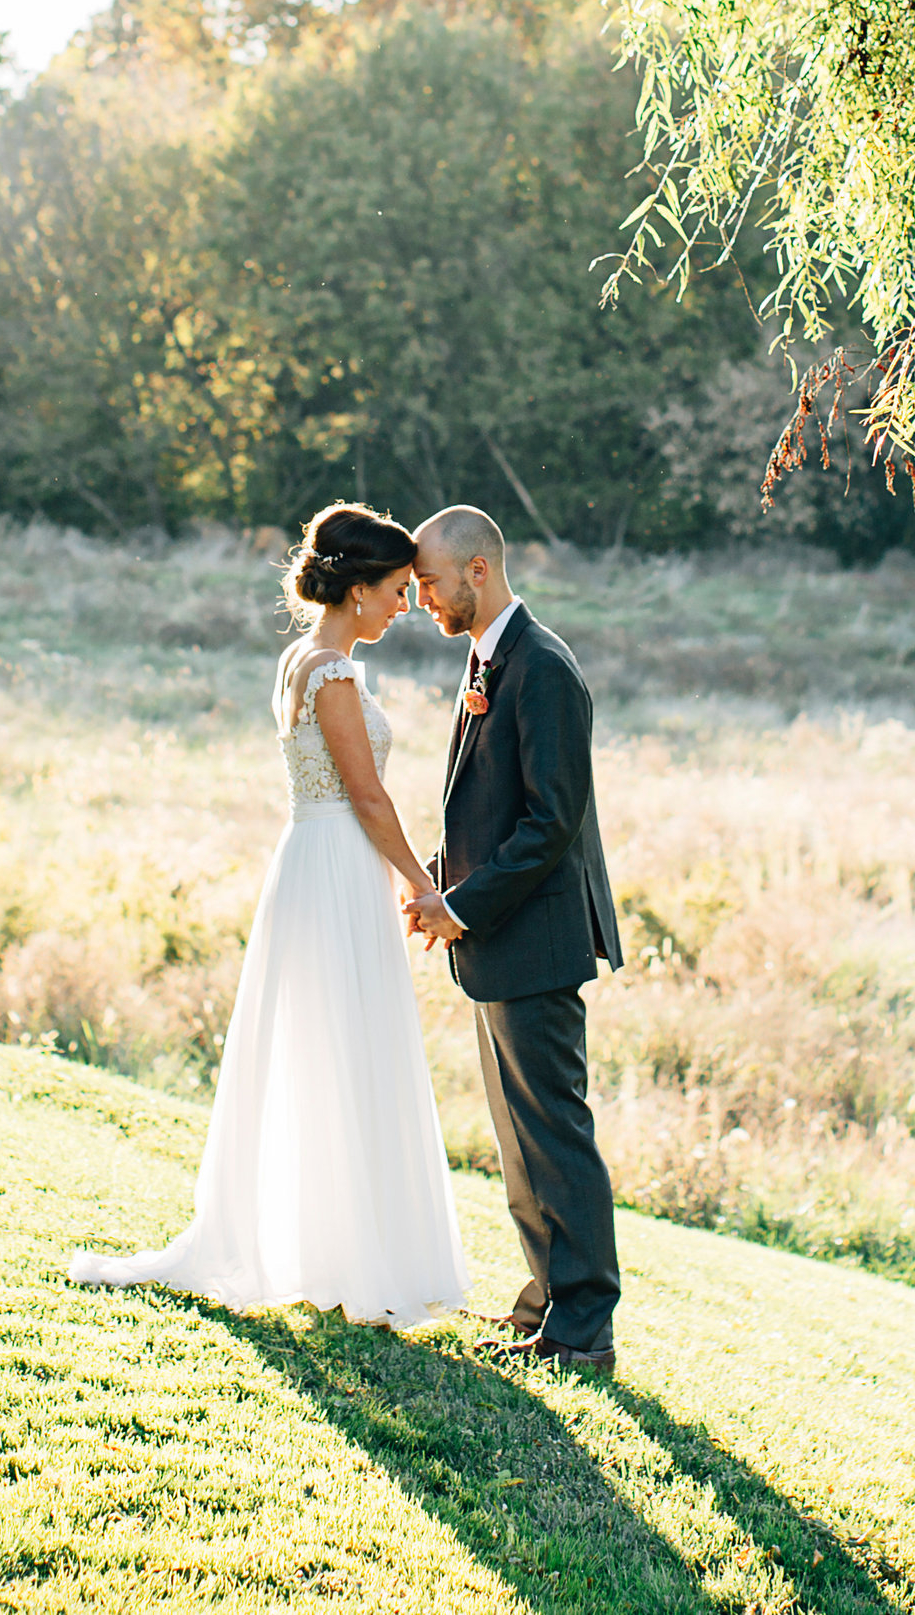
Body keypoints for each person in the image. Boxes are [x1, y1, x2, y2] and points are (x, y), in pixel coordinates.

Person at [66, 504, 472, 1327]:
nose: (404, 606)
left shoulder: (300, 656)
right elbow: (366, 794)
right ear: (358, 590)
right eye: (396, 590)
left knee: (326, 1050)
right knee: (345, 1047)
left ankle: (334, 1247)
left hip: (313, 862)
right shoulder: (333, 673)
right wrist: (421, 885)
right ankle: (347, 1259)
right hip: (336, 868)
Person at [408, 504, 624, 1373]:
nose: (419, 595)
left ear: (478, 571)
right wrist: (436, 877)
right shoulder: (492, 657)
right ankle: (542, 1305)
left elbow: (548, 823)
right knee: (519, 1137)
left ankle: (584, 1328)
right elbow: (490, 808)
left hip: (533, 941)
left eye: (427, 580)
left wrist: (461, 905)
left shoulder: (542, 667)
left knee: (555, 1134)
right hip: (499, 943)